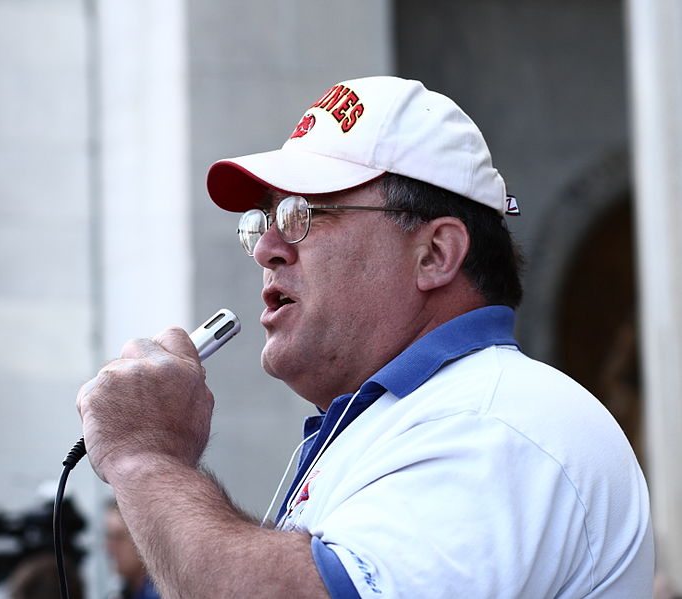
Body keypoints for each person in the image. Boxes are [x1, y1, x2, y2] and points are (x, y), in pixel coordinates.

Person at [77, 76, 654, 597]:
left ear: (435, 253)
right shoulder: (426, 415)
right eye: (263, 221)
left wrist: (145, 458)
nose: (266, 248)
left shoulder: (496, 422)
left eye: (304, 214)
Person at [105, 500, 161, 599]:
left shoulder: (161, 592)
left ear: (144, 541)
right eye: (109, 536)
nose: (110, 547)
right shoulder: (124, 589)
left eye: (119, 537)